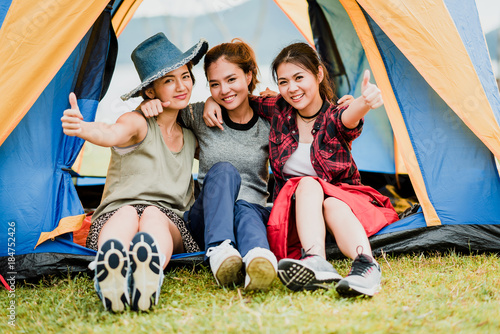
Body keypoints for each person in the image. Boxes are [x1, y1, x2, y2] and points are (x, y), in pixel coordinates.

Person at [205, 42, 399, 297]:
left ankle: (359, 265)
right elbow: (237, 96)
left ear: (318, 74)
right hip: (300, 212)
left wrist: (364, 102)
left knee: (321, 194)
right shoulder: (278, 109)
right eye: (283, 81)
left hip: (344, 200)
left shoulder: (335, 115)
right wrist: (210, 100)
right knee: (308, 187)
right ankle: (329, 262)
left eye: (299, 78)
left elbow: (349, 118)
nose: (292, 88)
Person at [61, 32, 208, 312]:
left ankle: (146, 266)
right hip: (116, 216)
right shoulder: (137, 122)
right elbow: (111, 132)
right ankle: (111, 261)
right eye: (169, 80)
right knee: (128, 212)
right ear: (150, 91)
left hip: (170, 221)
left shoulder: (191, 137)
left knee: (154, 214)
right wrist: (84, 129)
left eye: (185, 76)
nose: (181, 86)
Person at [139, 39, 278, 291]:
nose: (224, 90)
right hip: (207, 220)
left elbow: (312, 113)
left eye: (231, 79)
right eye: (215, 84)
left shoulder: (268, 122)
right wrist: (146, 105)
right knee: (224, 170)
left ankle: (259, 259)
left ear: (249, 76)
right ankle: (219, 251)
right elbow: (165, 106)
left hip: (252, 216)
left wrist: (347, 107)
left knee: (245, 209)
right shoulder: (199, 115)